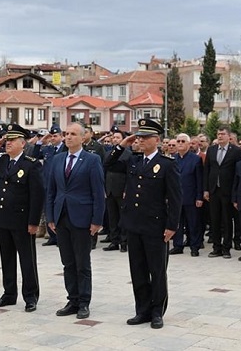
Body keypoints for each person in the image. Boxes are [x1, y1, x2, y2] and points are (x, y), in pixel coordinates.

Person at [105, 118, 181, 329]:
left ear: (156, 140)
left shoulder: (167, 164)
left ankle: (157, 311)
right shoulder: (134, 161)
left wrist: (172, 226)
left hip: (155, 225)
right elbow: (108, 163)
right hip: (133, 224)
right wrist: (122, 145)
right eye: (139, 136)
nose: (140, 140)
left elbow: (175, 198)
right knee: (137, 270)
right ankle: (142, 310)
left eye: (145, 137)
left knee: (157, 271)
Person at [0, 124, 44, 312]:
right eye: (7, 140)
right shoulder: (1, 161)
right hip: (3, 217)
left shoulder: (31, 164)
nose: (8, 143)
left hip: (22, 220)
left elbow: (37, 195)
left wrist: (33, 222)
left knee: (27, 259)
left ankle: (31, 296)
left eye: (12, 140)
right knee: (6, 258)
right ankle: (9, 294)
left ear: (22, 143)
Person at [45, 122, 105, 320]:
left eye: (72, 134)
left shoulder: (91, 160)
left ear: (82, 137)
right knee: (68, 262)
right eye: (66, 134)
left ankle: (84, 302)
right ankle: (72, 299)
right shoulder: (57, 159)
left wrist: (97, 220)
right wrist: (51, 217)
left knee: (82, 263)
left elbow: (98, 192)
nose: (68, 137)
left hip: (82, 217)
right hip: (61, 216)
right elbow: (51, 190)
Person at [204, 126, 241, 258]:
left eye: (222, 134)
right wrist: (206, 189)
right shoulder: (211, 150)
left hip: (228, 191)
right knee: (215, 220)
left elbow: (239, 173)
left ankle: (226, 248)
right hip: (214, 190)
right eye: (218, 134)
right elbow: (207, 170)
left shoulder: (236, 151)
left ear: (228, 136)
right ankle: (216, 247)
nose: (220, 136)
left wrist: (236, 193)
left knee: (227, 220)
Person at [170, 133, 203, 257]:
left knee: (193, 223)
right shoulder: (173, 159)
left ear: (189, 144)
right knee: (177, 223)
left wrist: (199, 197)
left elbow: (199, 180)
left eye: (183, 141)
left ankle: (195, 246)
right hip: (176, 197)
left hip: (191, 196)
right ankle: (178, 246)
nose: (180, 144)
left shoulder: (196, 159)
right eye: (178, 141)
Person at [103, 130, 131, 252]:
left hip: (121, 187)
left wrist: (126, 189)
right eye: (113, 137)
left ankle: (124, 242)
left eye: (118, 137)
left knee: (123, 217)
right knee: (112, 217)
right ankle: (114, 241)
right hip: (109, 188)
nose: (115, 139)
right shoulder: (109, 153)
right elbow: (105, 169)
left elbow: (129, 174)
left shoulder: (128, 154)